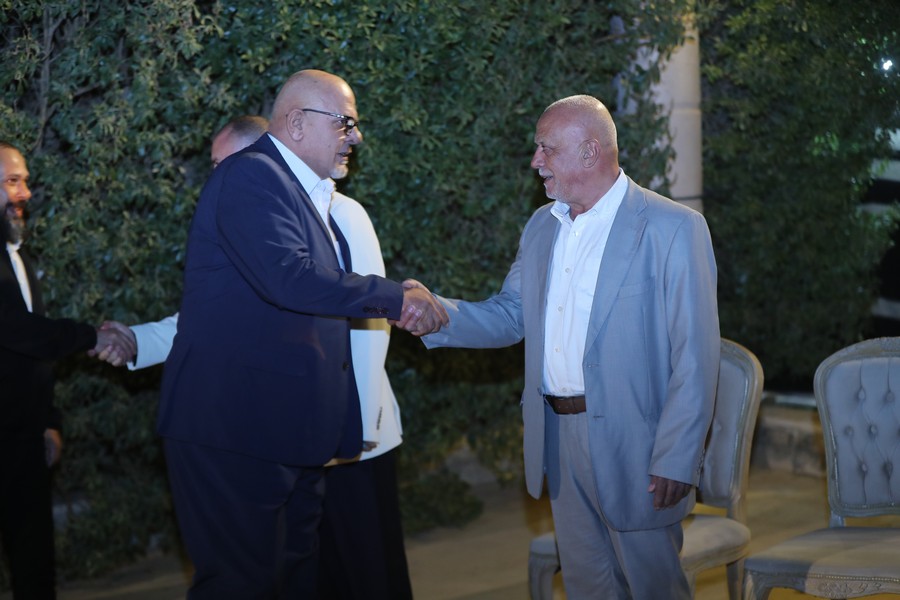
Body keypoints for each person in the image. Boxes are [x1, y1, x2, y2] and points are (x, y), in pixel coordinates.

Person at [156, 70, 445, 598]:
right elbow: (290, 278)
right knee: (242, 585)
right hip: (234, 432)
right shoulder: (249, 175)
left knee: (295, 581)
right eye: (345, 123)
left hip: (286, 433)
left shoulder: (298, 192)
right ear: (296, 123)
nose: (356, 137)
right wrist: (396, 298)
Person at [419, 95, 720, 599]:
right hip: (559, 442)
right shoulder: (542, 226)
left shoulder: (672, 227)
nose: (535, 161)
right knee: (587, 589)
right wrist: (439, 314)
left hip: (637, 448)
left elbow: (696, 356)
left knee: (654, 590)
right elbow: (511, 314)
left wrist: (676, 457)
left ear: (589, 151)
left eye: (547, 149)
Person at [0, 141, 136, 599]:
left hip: (22, 441)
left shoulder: (19, 255)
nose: (26, 193)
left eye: (25, 181)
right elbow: (16, 329)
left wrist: (49, 421)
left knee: (35, 567)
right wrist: (93, 337)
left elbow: (31, 352)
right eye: (12, 182)